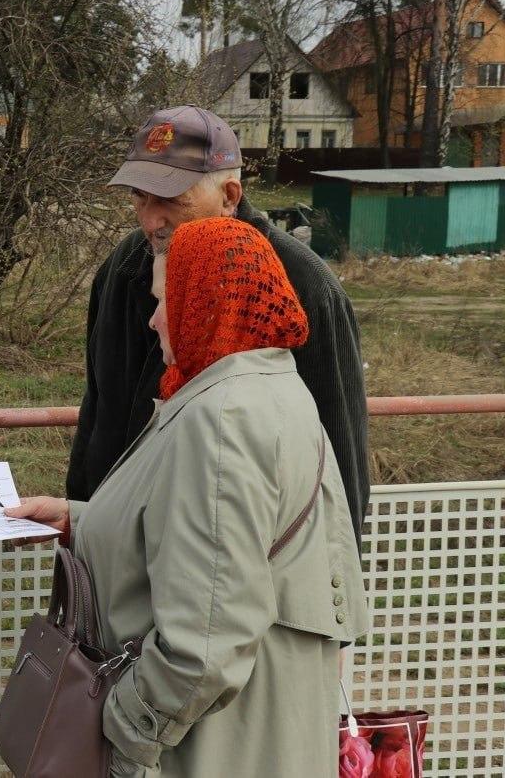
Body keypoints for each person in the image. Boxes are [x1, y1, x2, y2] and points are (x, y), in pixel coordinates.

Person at [9, 218, 368, 777]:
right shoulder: (272, 387)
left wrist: (123, 730)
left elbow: (206, 640)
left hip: (212, 747)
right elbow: (215, 532)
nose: (153, 321)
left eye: (164, 300)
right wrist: (81, 518)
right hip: (256, 725)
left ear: (204, 303)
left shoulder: (220, 419)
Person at [66, 106, 371, 544]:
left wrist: (333, 589)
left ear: (230, 195)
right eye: (139, 196)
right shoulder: (123, 268)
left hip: (243, 562)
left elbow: (336, 458)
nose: (150, 221)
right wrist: (83, 540)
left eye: (170, 200)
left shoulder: (300, 283)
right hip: (119, 554)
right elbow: (98, 418)